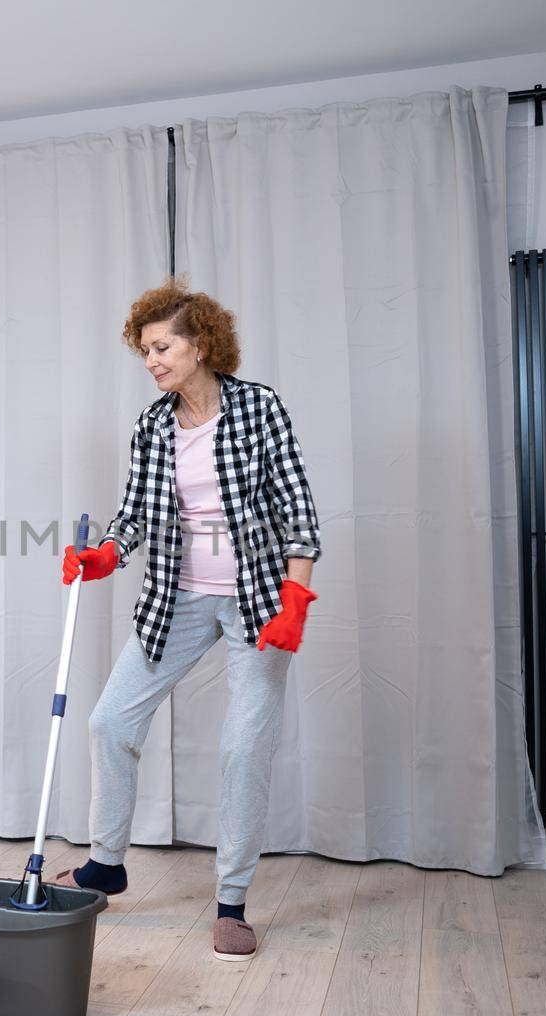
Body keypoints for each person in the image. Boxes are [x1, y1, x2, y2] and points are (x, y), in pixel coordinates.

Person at [52, 274, 322, 962]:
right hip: (177, 596)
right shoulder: (153, 422)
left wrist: (297, 596)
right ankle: (106, 864)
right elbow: (136, 511)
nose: (152, 360)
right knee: (110, 721)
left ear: (200, 344)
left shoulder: (258, 408)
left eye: (162, 345)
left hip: (258, 599)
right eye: (144, 350)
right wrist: (105, 553)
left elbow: (296, 505)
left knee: (242, 748)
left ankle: (231, 901)